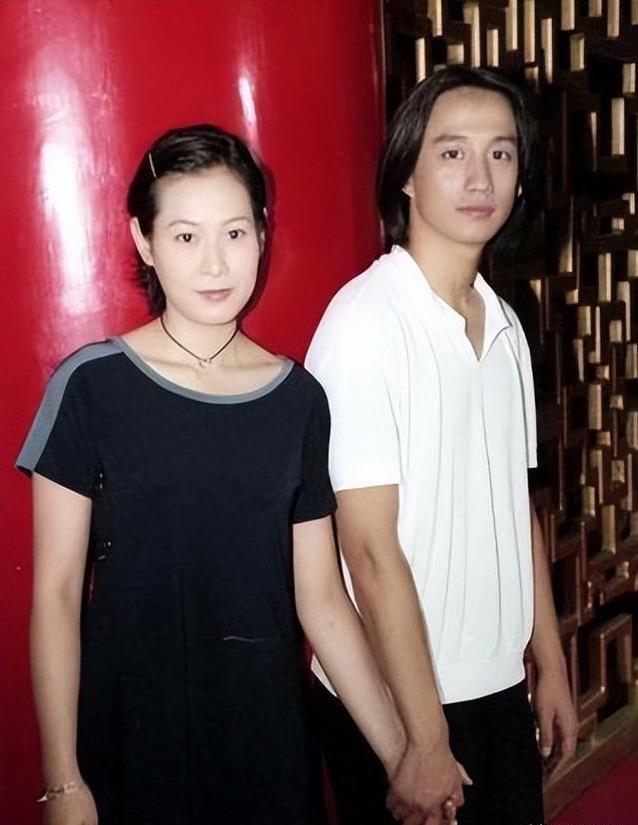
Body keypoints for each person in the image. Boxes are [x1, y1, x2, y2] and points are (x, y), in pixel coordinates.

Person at [17, 124, 414, 825]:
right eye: (185, 236)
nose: (214, 263)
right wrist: (64, 782)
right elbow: (55, 594)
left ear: (262, 232)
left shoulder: (297, 399)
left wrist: (404, 756)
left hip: (266, 742)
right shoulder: (91, 386)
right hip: (129, 741)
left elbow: (322, 598)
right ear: (144, 241)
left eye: (234, 233)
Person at [306, 66, 578, 825]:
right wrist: (422, 740)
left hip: (497, 687)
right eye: (452, 152)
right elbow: (367, 548)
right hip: (401, 701)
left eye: (501, 153)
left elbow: (513, 506)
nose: (479, 177)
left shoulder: (504, 323)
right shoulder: (366, 322)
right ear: (406, 174)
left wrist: (549, 662)